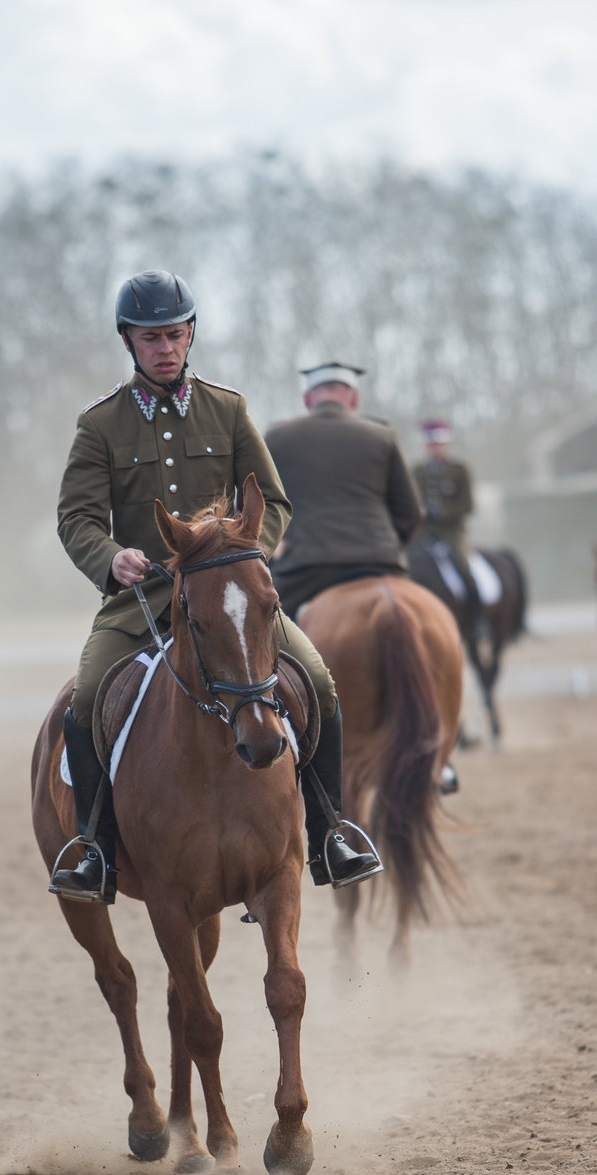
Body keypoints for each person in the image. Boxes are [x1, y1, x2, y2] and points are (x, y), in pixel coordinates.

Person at [52, 272, 380, 904]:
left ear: (191, 334)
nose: (165, 348)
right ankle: (94, 849)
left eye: (175, 335)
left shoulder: (227, 409)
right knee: (88, 697)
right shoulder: (99, 426)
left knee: (317, 680)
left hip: (230, 598)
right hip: (142, 598)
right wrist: (111, 557)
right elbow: (77, 519)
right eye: (151, 338)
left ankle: (331, 832)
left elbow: (275, 500)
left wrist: (246, 558)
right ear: (129, 342)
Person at [264, 361, 423, 620]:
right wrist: (390, 546)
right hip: (380, 561)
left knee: (262, 634)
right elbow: (410, 513)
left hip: (306, 565)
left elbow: (256, 513)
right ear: (354, 399)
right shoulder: (383, 436)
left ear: (307, 399)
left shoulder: (277, 437)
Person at [412, 418, 481, 628]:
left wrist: (443, 512)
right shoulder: (417, 472)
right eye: (431, 444)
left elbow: (468, 505)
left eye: (439, 444)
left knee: (463, 567)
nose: (435, 448)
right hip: (423, 533)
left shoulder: (459, 470)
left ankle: (477, 618)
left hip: (452, 532)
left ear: (446, 444)